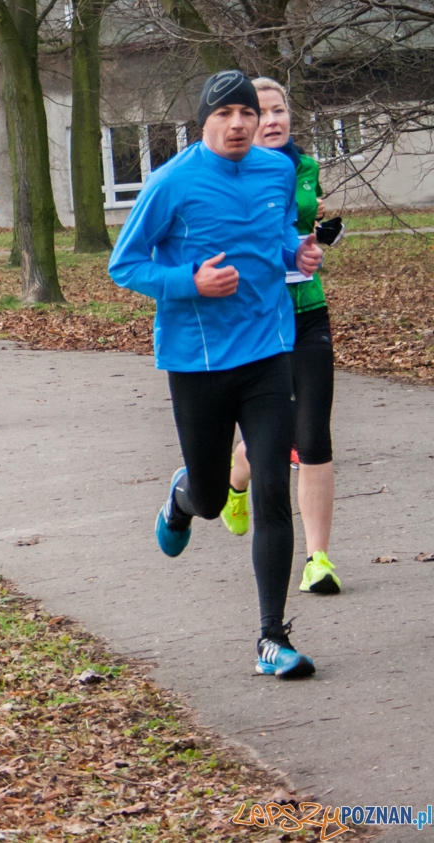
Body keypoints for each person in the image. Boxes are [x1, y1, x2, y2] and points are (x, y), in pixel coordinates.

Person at [110, 70, 325, 679]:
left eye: (247, 114)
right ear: (203, 120)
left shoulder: (277, 172)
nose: (237, 124)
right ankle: (183, 498)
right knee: (210, 500)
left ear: (259, 122)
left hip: (267, 351)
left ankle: (270, 638)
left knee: (273, 494)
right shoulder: (171, 183)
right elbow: (123, 265)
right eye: (224, 114)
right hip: (198, 362)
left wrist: (298, 253)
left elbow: (277, 236)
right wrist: (190, 283)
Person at [223, 77, 348, 595]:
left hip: (309, 312)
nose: (272, 120)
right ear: (245, 121)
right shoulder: (227, 174)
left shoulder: (307, 170)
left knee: (313, 434)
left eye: (279, 111)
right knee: (270, 438)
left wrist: (322, 234)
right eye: (261, 112)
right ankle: (235, 478)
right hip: (256, 319)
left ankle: (318, 559)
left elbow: (304, 234)